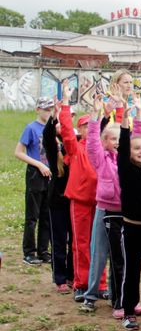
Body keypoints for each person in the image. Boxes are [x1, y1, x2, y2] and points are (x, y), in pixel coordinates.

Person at [58, 81, 105, 304]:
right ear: (81, 129)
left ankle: (101, 283)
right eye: (84, 125)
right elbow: (66, 131)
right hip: (80, 201)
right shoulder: (76, 148)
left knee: (101, 244)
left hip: (101, 201)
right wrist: (66, 102)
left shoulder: (102, 149)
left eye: (91, 124)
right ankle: (81, 283)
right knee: (81, 243)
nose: (88, 128)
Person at [116, 102, 141, 331]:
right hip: (132, 229)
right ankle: (129, 312)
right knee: (131, 272)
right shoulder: (125, 168)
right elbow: (123, 147)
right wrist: (124, 122)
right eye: (136, 148)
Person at [84, 98, 125, 315]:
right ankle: (90, 295)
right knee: (99, 253)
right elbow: (91, 143)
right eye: (113, 139)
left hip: (124, 213)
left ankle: (114, 292)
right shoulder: (101, 159)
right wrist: (94, 117)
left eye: (120, 138)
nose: (117, 142)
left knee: (118, 256)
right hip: (104, 210)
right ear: (105, 141)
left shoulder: (127, 159)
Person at [15, 97, 53, 265]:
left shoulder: (52, 128)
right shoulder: (31, 128)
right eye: (45, 109)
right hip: (35, 174)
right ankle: (29, 252)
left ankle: (43, 251)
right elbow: (19, 152)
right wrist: (38, 164)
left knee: (46, 215)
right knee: (32, 216)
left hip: (50, 175)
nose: (48, 112)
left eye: (50, 109)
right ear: (38, 109)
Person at [42, 101, 73, 293]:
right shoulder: (55, 150)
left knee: (75, 242)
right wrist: (53, 117)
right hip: (57, 201)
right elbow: (47, 136)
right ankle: (60, 277)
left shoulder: (75, 145)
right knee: (59, 241)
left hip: (75, 201)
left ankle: (71, 275)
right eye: (59, 121)